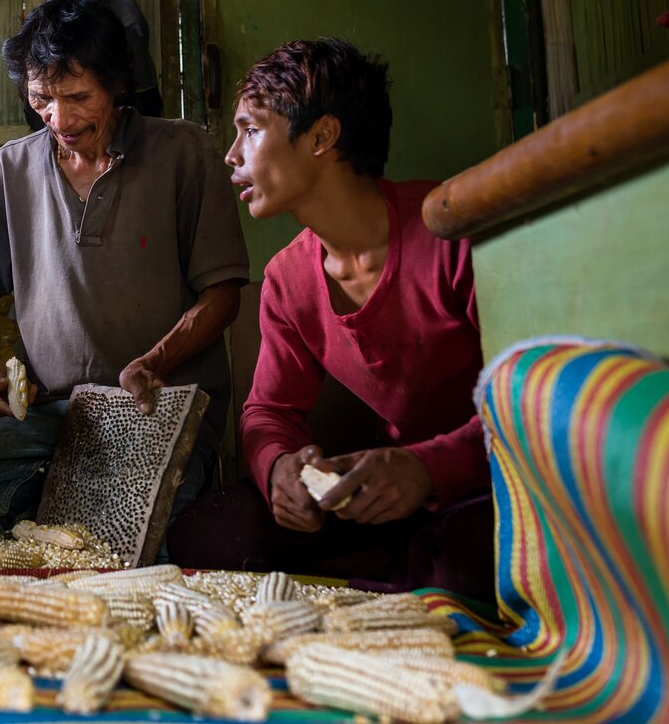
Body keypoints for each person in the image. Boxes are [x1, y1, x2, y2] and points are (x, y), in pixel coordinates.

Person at [0, 0, 250, 547]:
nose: (59, 119)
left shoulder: (183, 153)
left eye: (77, 97)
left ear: (117, 85)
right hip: (53, 412)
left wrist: (155, 362)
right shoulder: (9, 170)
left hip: (158, 404)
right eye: (42, 98)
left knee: (126, 545)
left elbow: (223, 294)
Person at [165, 38, 493, 601]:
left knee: (461, 564)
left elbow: (530, 405)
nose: (231, 153)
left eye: (251, 129)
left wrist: (427, 469)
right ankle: (398, 569)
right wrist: (278, 470)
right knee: (205, 535)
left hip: (484, 475)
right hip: (379, 486)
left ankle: (405, 570)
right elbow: (269, 410)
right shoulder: (288, 279)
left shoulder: (452, 234)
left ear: (321, 136)